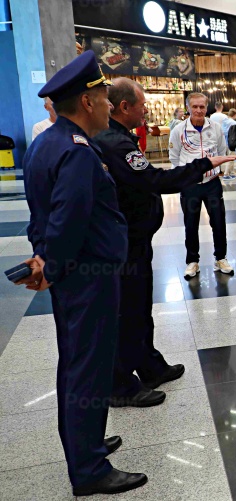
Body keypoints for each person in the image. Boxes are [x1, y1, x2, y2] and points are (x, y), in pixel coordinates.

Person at [18, 51, 147, 496]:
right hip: (87, 279)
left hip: (75, 277)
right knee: (86, 370)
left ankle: (85, 443)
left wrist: (44, 260)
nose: (111, 106)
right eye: (103, 97)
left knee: (76, 365)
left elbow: (41, 218)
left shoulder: (45, 144)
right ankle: (89, 469)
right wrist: (51, 266)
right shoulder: (76, 154)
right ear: (88, 103)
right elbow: (67, 220)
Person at [94, 77, 236, 406]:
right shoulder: (116, 144)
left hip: (136, 241)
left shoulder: (122, 138)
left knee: (140, 308)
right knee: (128, 310)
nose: (146, 110)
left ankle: (149, 365)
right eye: (142, 105)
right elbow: (155, 179)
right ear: (125, 107)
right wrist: (204, 164)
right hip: (124, 244)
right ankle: (120, 384)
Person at [169, 92, 233, 278]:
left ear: (207, 108)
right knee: (191, 224)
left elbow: (222, 151)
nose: (198, 110)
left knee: (219, 222)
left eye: (202, 107)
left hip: (212, 183)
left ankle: (220, 258)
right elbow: (174, 158)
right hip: (190, 186)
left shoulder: (216, 128)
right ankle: (192, 261)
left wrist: (214, 172)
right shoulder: (178, 130)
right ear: (188, 108)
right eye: (194, 107)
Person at [221, 109, 236, 180]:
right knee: (231, 158)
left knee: (230, 157)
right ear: (234, 115)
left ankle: (231, 173)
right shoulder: (233, 122)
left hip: (225, 141)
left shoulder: (224, 122)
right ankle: (226, 174)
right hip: (231, 142)